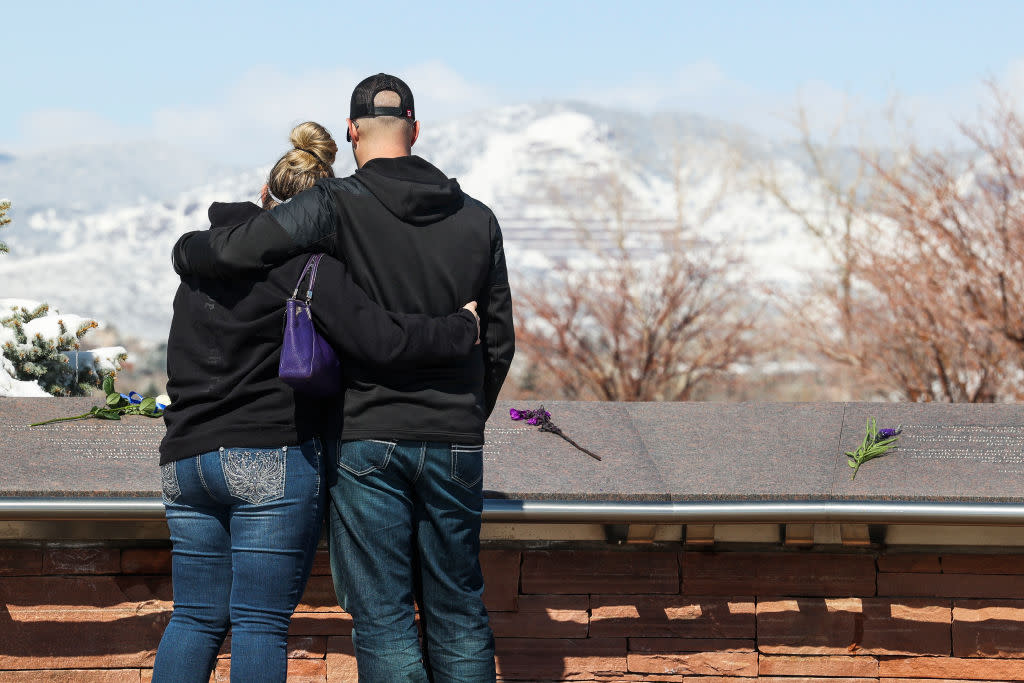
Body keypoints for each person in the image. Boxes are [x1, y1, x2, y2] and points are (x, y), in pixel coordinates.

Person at [172, 74, 515, 682]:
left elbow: (237, 250)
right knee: (459, 609)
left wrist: (185, 252)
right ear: (416, 129)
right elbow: (499, 340)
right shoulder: (479, 220)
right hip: (456, 436)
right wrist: (466, 413)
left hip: (368, 433)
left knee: (382, 617)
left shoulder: (336, 205)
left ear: (352, 132)